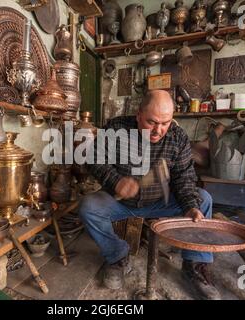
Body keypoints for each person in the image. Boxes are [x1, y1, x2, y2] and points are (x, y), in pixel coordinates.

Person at [78, 90, 220, 300]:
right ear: (138, 114)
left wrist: (190, 205)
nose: (158, 130)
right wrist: (116, 182)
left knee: (203, 199)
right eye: (151, 122)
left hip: (161, 201)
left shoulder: (177, 137)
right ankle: (118, 256)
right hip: (121, 202)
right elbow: (93, 159)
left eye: (165, 123)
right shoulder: (117, 128)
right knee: (89, 206)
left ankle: (194, 264)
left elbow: (184, 176)